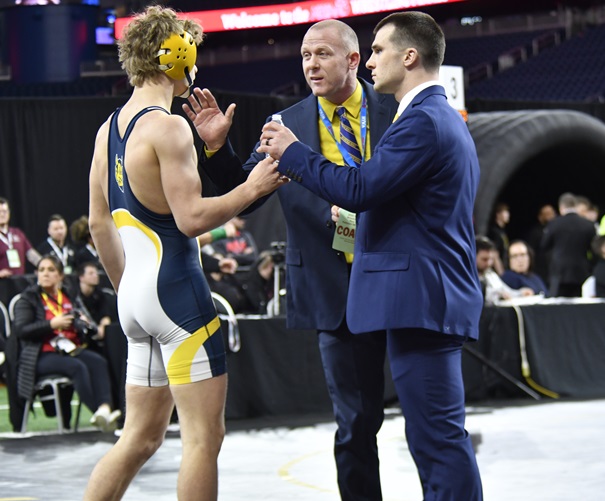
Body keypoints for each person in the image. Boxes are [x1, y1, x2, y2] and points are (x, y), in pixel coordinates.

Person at [259, 11, 483, 499]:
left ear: (409, 56)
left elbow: (359, 188)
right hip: (400, 297)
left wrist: (295, 153)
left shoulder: (420, 121)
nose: (372, 60)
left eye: (378, 50)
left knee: (438, 441)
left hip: (418, 301)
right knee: (429, 437)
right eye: (305, 56)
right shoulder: (436, 117)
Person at [184, 18, 398, 500]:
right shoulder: (288, 125)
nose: (311, 64)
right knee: (356, 421)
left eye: (322, 54)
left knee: (425, 414)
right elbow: (246, 194)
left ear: (351, 59)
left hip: (397, 276)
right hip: (332, 287)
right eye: (304, 55)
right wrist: (217, 147)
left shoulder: (396, 108)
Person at [84, 6, 286, 501]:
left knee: (140, 437)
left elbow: (97, 222)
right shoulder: (168, 127)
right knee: (202, 439)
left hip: (135, 296)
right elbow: (192, 218)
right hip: (177, 293)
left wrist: (129, 289)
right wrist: (252, 186)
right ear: (178, 55)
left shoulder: (108, 129)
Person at [12, 255, 120, 432]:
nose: (45, 274)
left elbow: (85, 323)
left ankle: (105, 409)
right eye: (42, 270)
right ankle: (98, 413)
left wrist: (82, 323)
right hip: (40, 355)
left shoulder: (68, 295)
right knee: (77, 367)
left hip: (70, 349)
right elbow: (22, 330)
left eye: (51, 270)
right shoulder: (28, 299)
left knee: (98, 361)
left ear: (60, 275)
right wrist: (51, 324)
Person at [542, 192, 596, 297]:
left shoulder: (554, 223)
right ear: (575, 206)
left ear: (561, 207)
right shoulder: (589, 225)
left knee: (557, 308)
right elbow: (594, 250)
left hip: (559, 273)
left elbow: (544, 245)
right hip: (582, 272)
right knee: (581, 309)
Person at [476, 236, 534, 304]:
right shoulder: (468, 277)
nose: (489, 263)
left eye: (491, 259)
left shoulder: (490, 275)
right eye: (484, 259)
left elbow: (506, 292)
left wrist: (521, 293)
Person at [0, 197, 41, 278]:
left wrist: (45, 266)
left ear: (9, 213)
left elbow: (31, 254)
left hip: (19, 283)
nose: (2, 214)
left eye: (4, 211)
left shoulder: (17, 233)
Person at [487, 202, 510, 275]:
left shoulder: (502, 231)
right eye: (505, 212)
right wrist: (501, 273)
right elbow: (494, 254)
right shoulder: (494, 232)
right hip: (497, 272)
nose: (507, 215)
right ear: (498, 214)